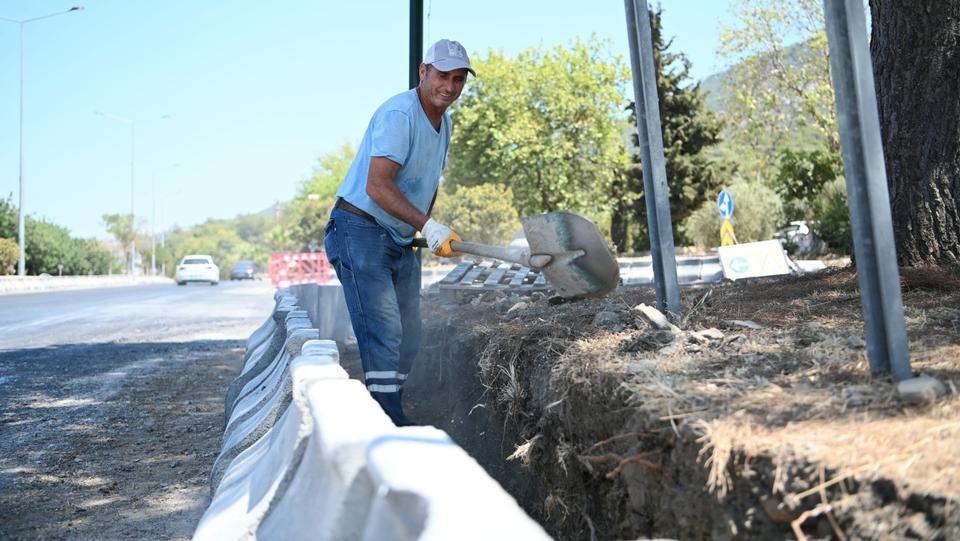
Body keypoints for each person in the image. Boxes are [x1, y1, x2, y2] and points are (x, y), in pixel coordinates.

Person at [323, 39, 475, 426]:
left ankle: (391, 406)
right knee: (385, 332)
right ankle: (386, 423)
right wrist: (428, 225)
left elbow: (428, 181)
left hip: (398, 237)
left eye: (459, 79)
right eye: (443, 75)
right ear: (423, 72)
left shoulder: (445, 122)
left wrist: (425, 228)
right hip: (359, 230)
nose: (450, 87)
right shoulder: (399, 115)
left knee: (410, 335)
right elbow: (378, 186)